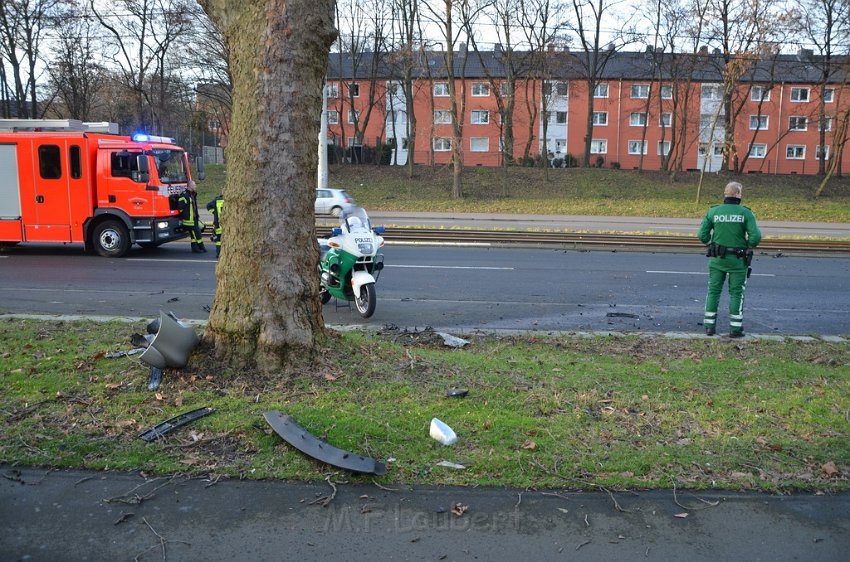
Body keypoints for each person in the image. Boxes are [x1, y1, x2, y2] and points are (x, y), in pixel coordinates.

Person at [697, 181, 762, 338]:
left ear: (725, 194)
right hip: (738, 261)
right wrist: (747, 245)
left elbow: (702, 235)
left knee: (713, 291)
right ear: (738, 193)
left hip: (717, 259)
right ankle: (735, 329)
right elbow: (756, 237)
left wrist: (710, 244)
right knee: (736, 293)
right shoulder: (745, 213)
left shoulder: (713, 211)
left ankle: (709, 327)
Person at [178, 180, 206, 253]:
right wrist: (185, 215)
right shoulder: (185, 195)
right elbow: (180, 208)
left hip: (194, 219)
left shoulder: (192, 194)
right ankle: (201, 248)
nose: (195, 186)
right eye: (194, 185)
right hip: (189, 220)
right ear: (190, 186)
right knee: (197, 234)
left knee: (194, 235)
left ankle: (195, 249)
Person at [207, 194, 224, 258]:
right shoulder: (228, 199)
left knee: (218, 240)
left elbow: (208, 206)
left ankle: (219, 254)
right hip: (226, 224)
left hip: (218, 223)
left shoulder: (216, 200)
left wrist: (214, 212)